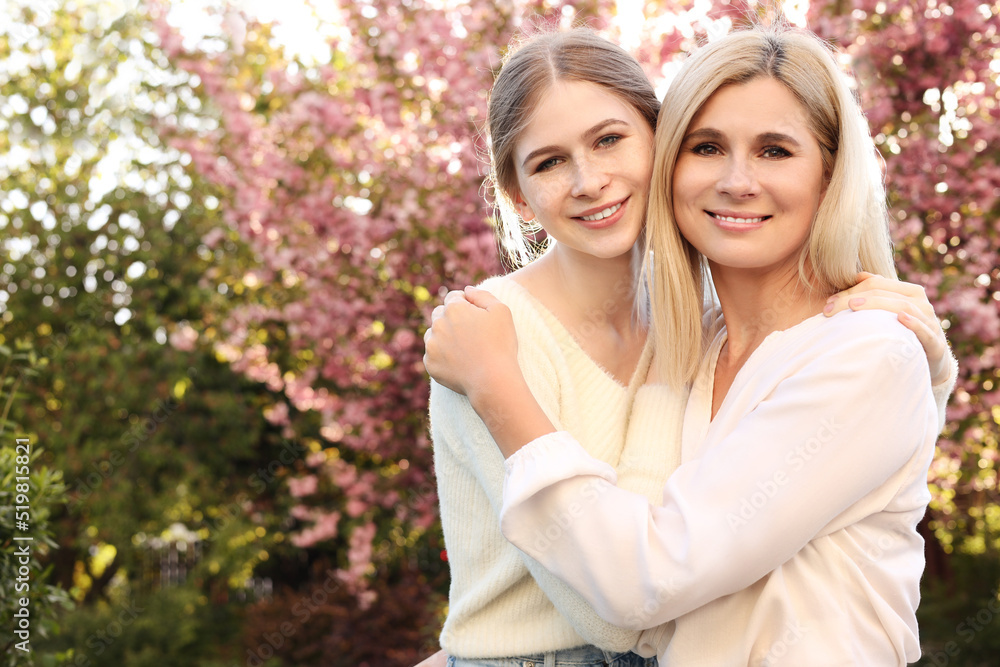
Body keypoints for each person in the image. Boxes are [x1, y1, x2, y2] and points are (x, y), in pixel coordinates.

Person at [420, 22, 956, 667]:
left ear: (831, 173)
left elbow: (636, 590)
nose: (736, 181)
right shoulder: (694, 340)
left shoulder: (864, 352)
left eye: (776, 151)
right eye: (707, 147)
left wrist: (922, 371)